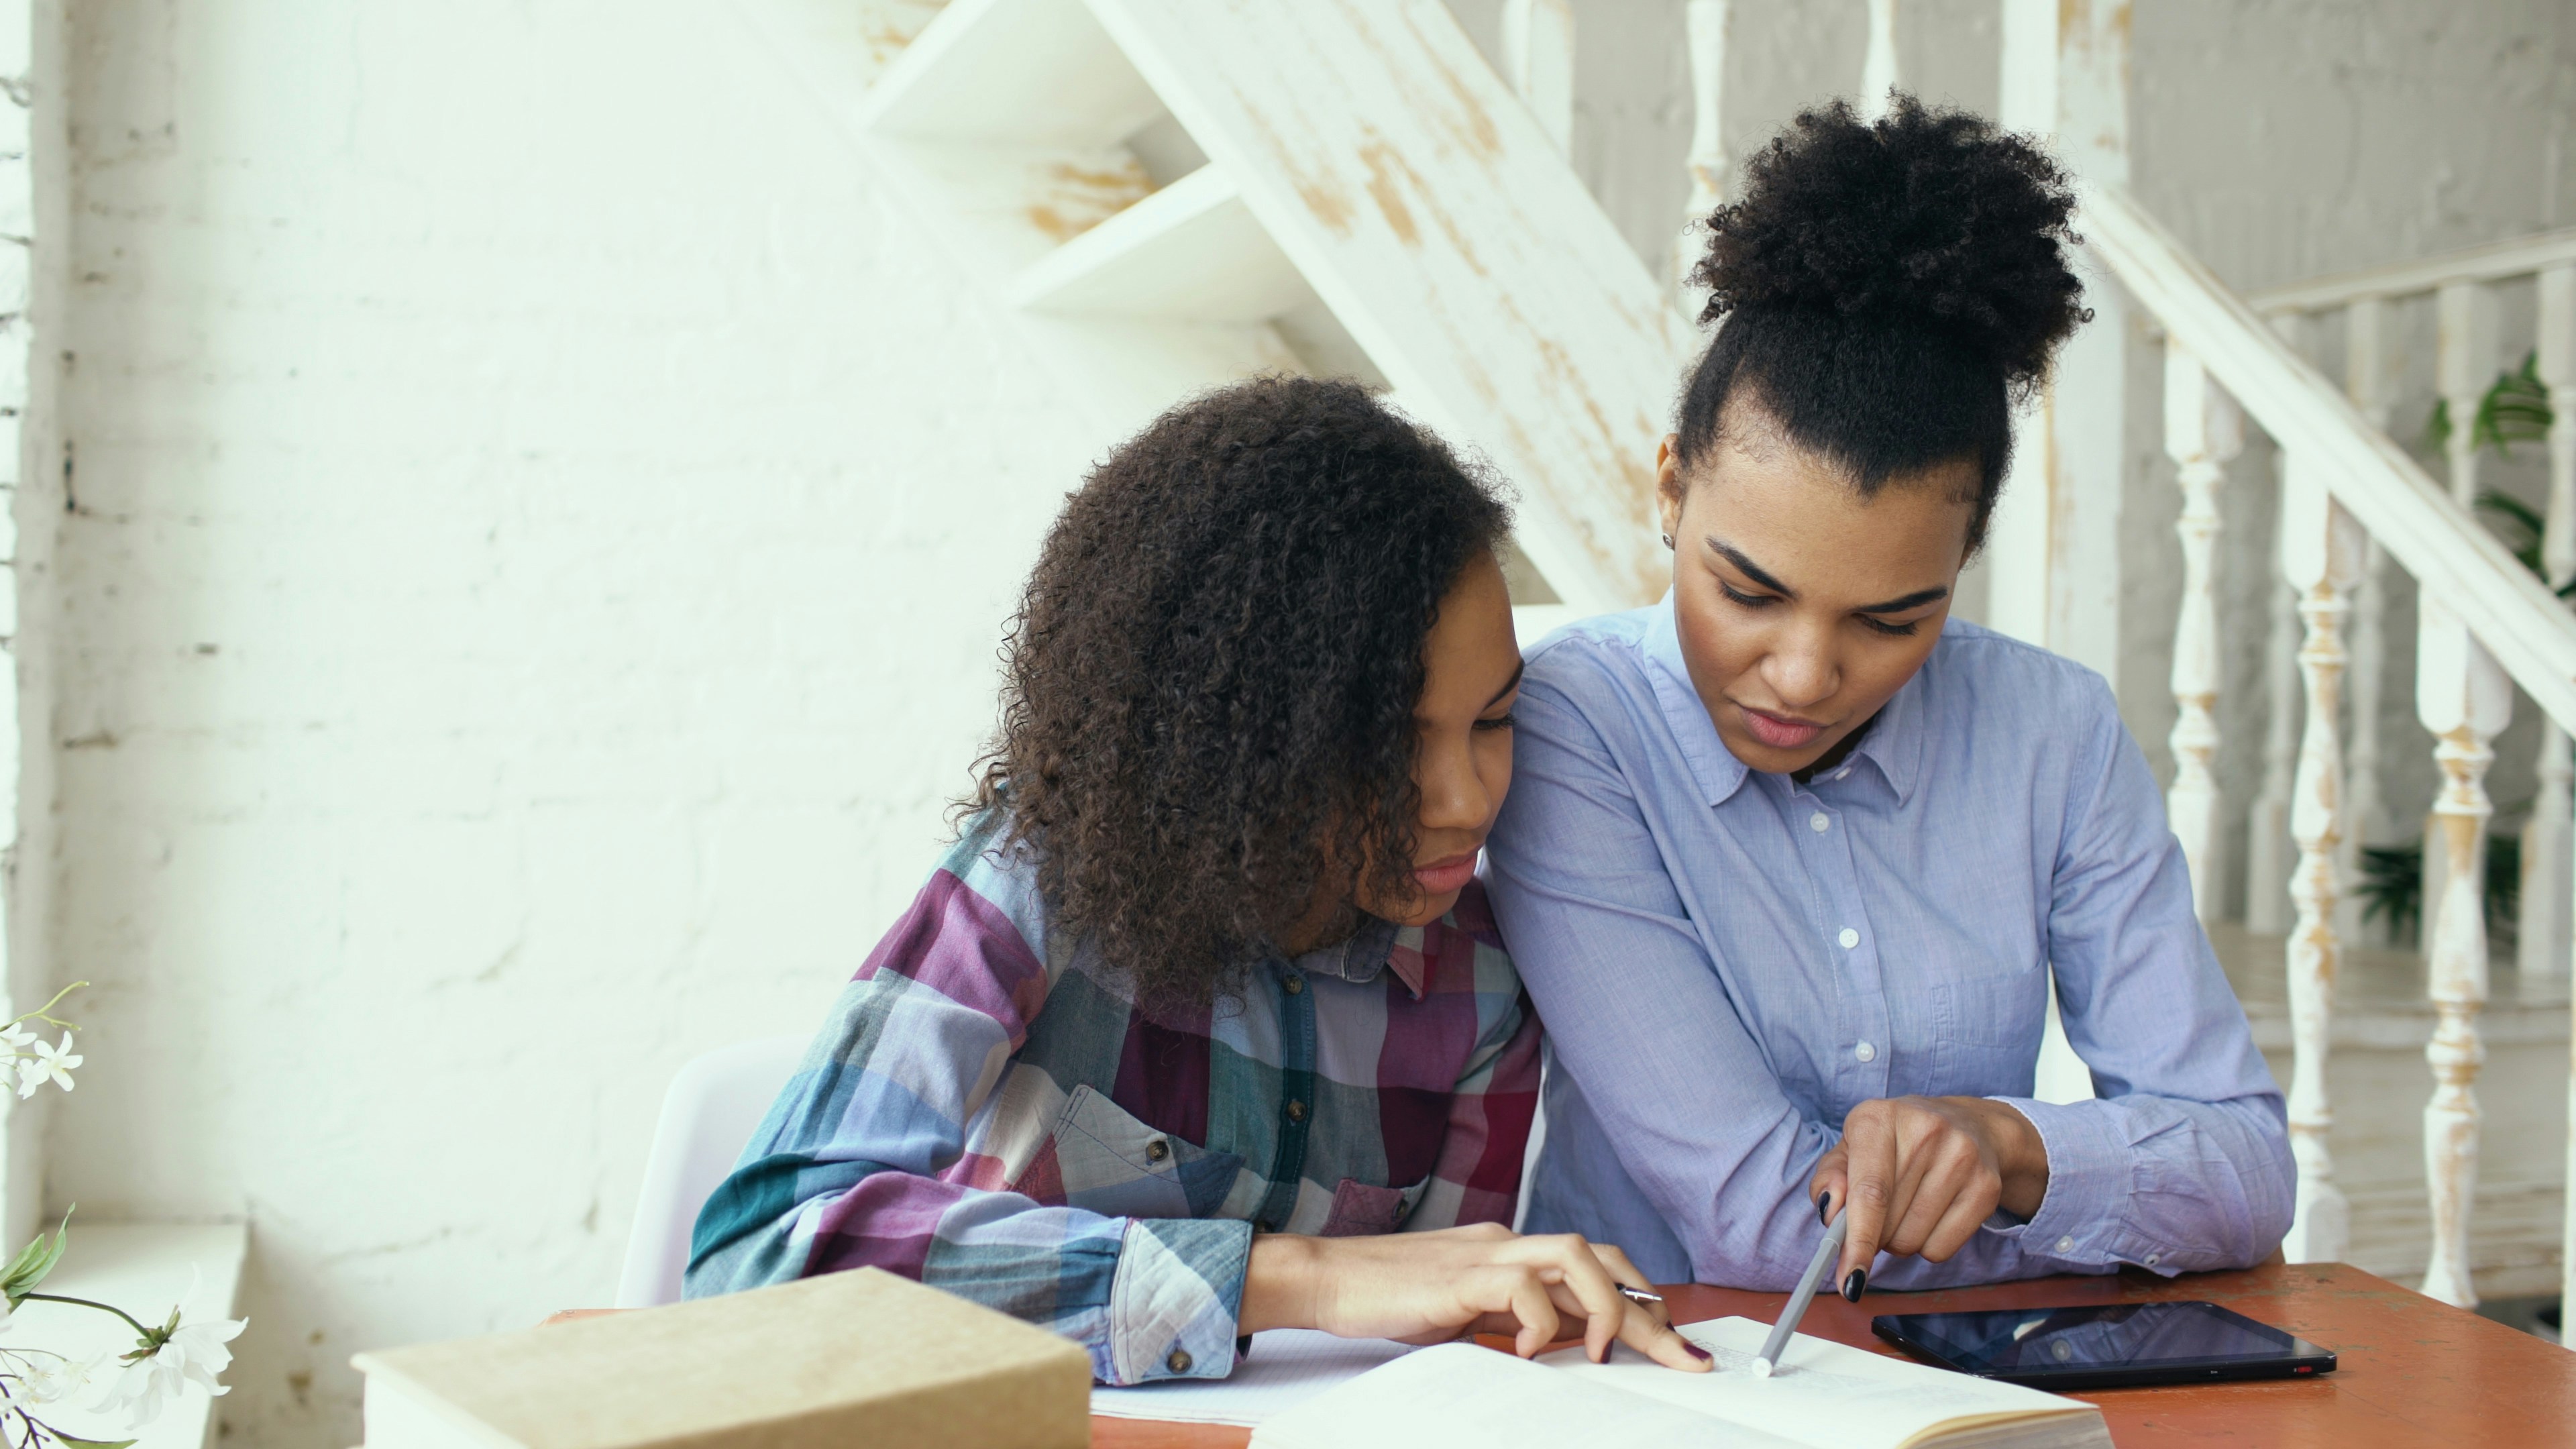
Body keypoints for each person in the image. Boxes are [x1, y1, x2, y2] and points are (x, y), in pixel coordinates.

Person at [685, 377, 1709, 1383]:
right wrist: (1294, 1277)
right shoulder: (1044, 882)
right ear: (1238, 744)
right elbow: (761, 1256)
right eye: (1386, 748)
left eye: (1494, 720)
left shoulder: (1483, 989)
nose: (1463, 799)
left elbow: (1428, 1364)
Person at [1484, 98, 2295, 1300]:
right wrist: (2094, 1201)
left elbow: (2249, 1172)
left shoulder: (2053, 733)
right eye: (1746, 590)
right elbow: (1757, 1228)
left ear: (1963, 560)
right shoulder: (1573, 727)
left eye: (1892, 619)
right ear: (1671, 488)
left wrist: (2011, 1144)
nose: (1806, 675)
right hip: (1661, 1389)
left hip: (1965, 1394)